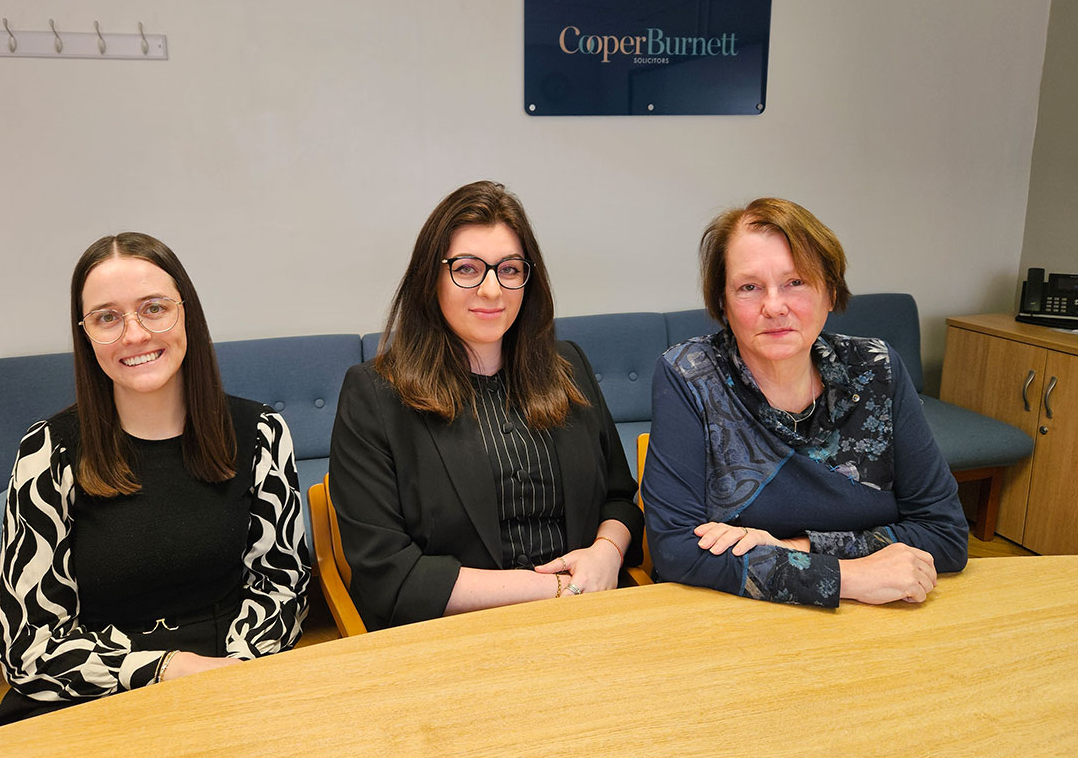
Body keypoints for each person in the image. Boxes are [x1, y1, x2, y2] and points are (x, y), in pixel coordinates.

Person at [0, 232, 309, 728]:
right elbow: (31, 647)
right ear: (86, 334)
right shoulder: (46, 450)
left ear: (187, 314)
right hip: (91, 693)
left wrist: (237, 670)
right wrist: (164, 669)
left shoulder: (261, 432)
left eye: (154, 308)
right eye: (107, 317)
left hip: (231, 673)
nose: (134, 334)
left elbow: (282, 582)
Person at [329, 180, 644, 630]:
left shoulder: (567, 365)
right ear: (430, 277)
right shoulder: (374, 394)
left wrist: (606, 553)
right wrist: (560, 590)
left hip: (593, 621)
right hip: (454, 638)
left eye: (510, 269)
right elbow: (389, 576)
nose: (493, 290)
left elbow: (618, 497)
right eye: (468, 268)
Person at [641, 198, 968, 607]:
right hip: (734, 618)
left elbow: (945, 534)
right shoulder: (690, 374)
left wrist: (792, 547)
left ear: (830, 292)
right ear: (722, 304)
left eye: (796, 282)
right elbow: (676, 551)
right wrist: (844, 577)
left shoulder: (878, 369)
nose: (774, 306)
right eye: (749, 287)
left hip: (882, 615)